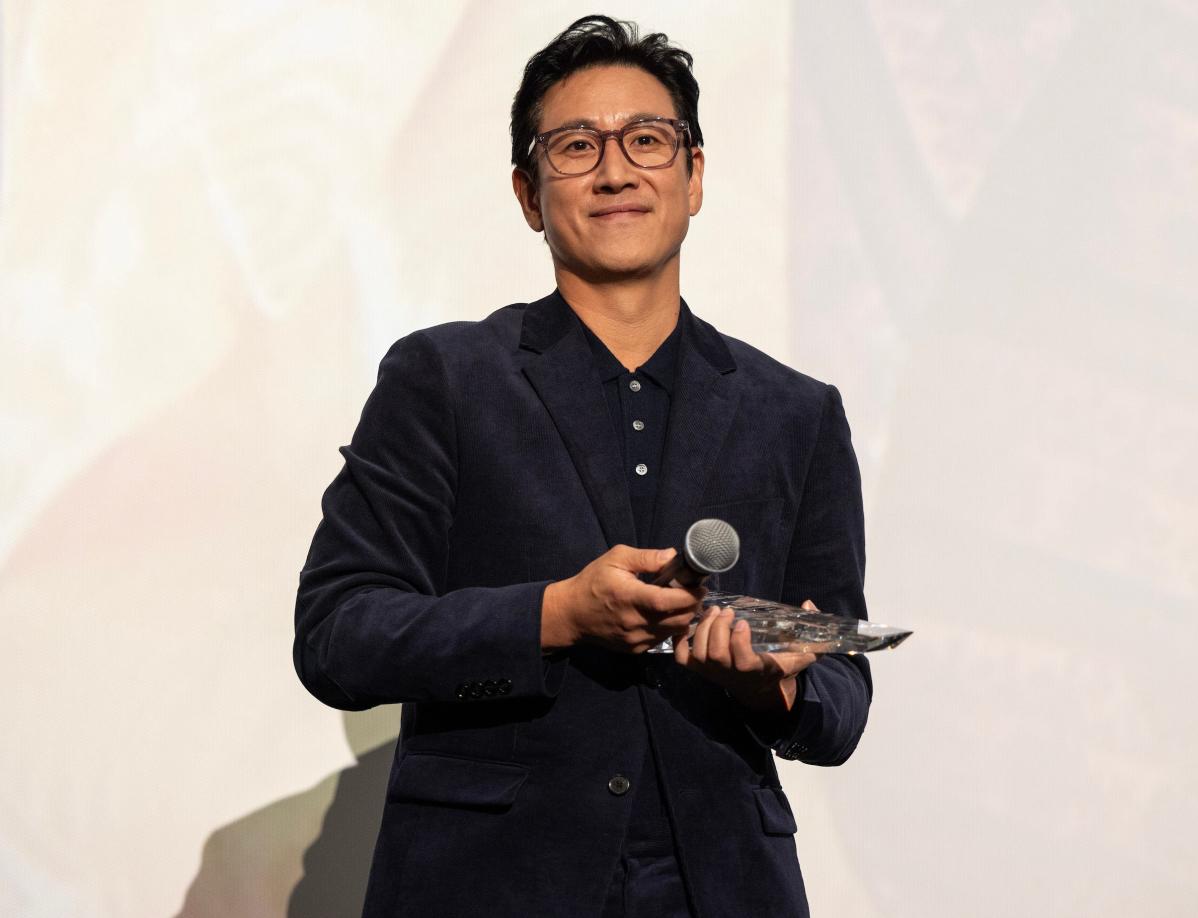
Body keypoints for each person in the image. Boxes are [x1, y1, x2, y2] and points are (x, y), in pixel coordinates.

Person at [293, 15, 872, 918]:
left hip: (720, 886)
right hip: (486, 883)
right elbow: (338, 635)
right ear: (529, 194)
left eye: (648, 139)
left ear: (695, 177)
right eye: (575, 146)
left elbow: (843, 693)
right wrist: (556, 614)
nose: (615, 169)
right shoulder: (443, 378)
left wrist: (783, 684)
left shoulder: (796, 412)